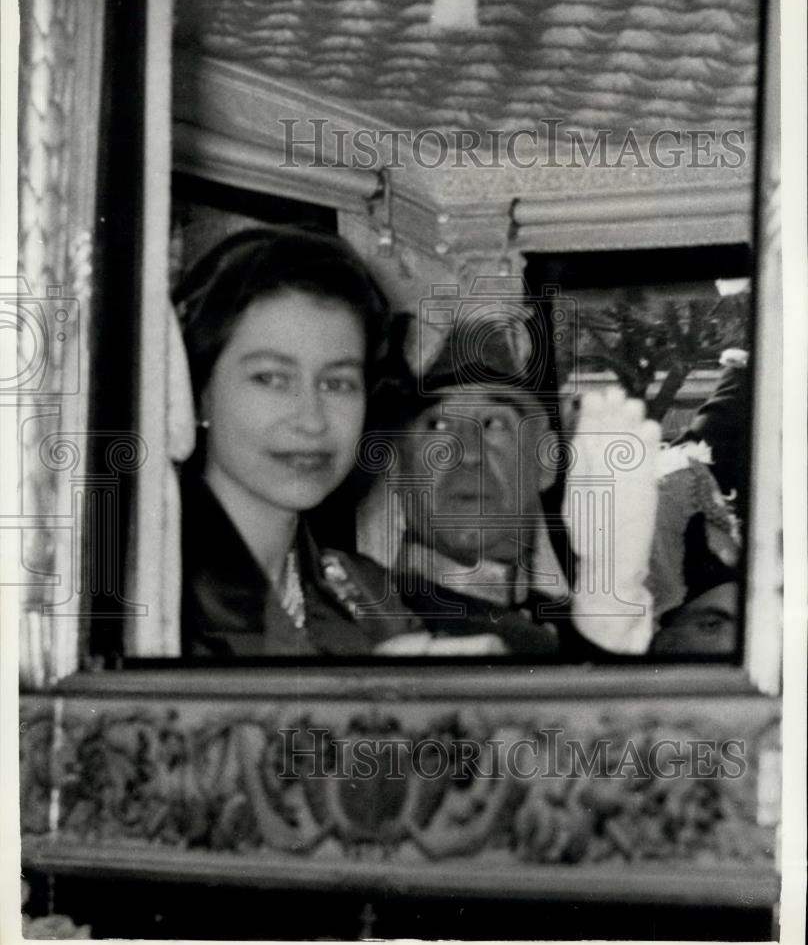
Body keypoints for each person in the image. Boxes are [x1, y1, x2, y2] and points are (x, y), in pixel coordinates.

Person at [361, 313, 740, 659]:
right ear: (397, 467)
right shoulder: (365, 620)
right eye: (438, 427)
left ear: (544, 462)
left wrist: (610, 593)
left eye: (494, 424)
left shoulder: (566, 625)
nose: (468, 453)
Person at [174, 226, 426, 657]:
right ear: (199, 394)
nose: (312, 421)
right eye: (271, 379)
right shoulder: (151, 594)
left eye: (337, 383)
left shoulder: (367, 593)